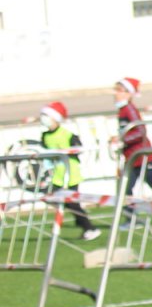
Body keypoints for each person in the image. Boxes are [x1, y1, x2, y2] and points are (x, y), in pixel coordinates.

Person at [34, 102, 100, 240]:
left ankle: (90, 228)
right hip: (57, 175)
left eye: (47, 116)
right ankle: (80, 220)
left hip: (70, 175)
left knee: (72, 203)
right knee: (50, 197)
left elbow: (78, 148)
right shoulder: (45, 136)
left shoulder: (67, 134)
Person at [111, 77, 152, 200]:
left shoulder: (129, 109)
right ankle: (130, 217)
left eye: (119, 90)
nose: (115, 93)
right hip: (132, 157)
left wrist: (121, 139)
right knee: (125, 188)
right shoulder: (122, 110)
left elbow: (140, 131)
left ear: (128, 93)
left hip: (142, 156)